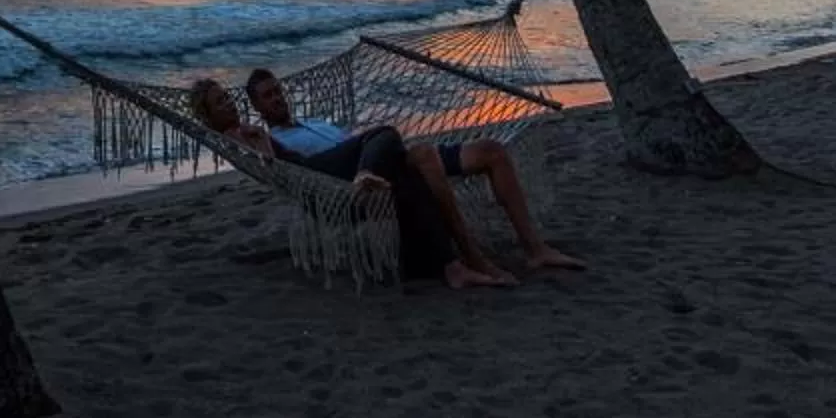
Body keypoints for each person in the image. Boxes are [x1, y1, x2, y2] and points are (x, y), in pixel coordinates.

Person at [242, 66, 586, 279]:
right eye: (268, 96)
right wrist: (255, 140)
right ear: (255, 106)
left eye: (278, 91)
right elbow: (273, 166)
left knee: (491, 151)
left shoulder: (316, 123)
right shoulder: (275, 142)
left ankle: (536, 249)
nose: (277, 98)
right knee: (423, 157)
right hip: (355, 187)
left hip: (392, 159)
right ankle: (471, 256)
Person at [185, 75, 507, 291]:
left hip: (320, 169)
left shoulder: (246, 131)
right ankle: (367, 172)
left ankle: (450, 267)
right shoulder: (237, 136)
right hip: (313, 173)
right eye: (219, 102)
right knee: (384, 133)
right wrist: (261, 140)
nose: (228, 103)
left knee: (406, 175)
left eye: (227, 97)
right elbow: (271, 166)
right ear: (208, 114)